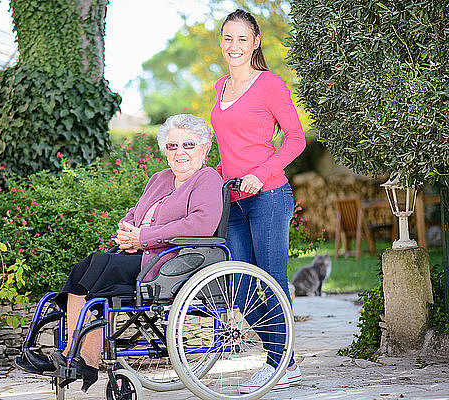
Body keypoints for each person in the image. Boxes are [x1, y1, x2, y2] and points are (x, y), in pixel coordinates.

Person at [25, 114, 223, 392]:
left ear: (204, 148)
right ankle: (79, 358)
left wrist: (144, 238)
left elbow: (201, 224)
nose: (180, 152)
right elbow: (134, 214)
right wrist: (127, 232)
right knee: (85, 270)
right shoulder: (159, 178)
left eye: (188, 145)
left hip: (169, 262)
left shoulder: (207, 179)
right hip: (141, 254)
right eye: (172, 146)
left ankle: (78, 357)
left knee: (93, 267)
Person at [210, 9, 306, 393]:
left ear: (255, 43)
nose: (234, 46)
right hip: (233, 199)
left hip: (268, 195)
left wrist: (259, 174)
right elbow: (230, 149)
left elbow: (296, 139)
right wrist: (212, 178)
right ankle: (281, 359)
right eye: (228, 38)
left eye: (242, 39)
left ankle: (281, 363)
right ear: (222, 42)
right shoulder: (220, 87)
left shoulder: (269, 85)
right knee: (242, 286)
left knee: (271, 281)